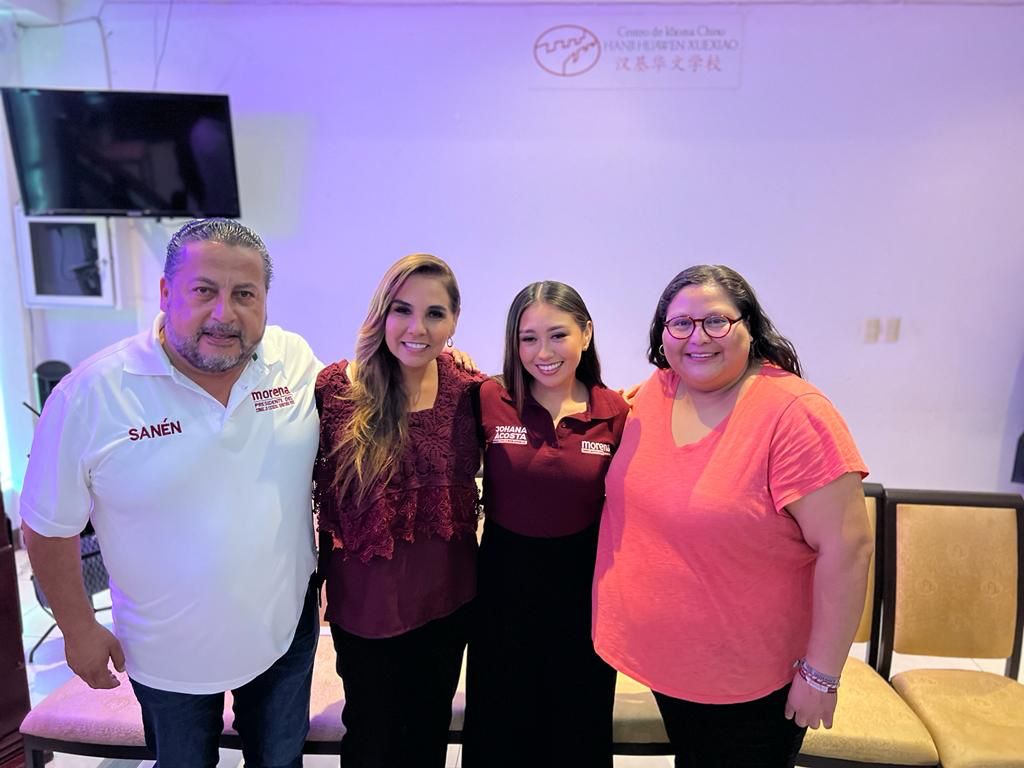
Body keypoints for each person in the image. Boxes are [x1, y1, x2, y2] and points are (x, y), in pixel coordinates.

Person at [20, 218, 321, 768]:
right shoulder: (91, 395)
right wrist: (78, 627)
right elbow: (47, 525)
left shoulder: (293, 361)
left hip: (283, 632)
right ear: (165, 293)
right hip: (167, 655)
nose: (224, 314)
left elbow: (369, 399)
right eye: (203, 291)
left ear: (265, 301)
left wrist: (447, 368)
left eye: (244, 294)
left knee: (280, 763)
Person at [592, 265, 874, 767]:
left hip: (752, 685)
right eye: (681, 323)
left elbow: (849, 549)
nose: (698, 338)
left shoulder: (795, 413)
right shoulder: (657, 391)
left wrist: (822, 675)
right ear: (662, 334)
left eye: (716, 321)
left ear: (750, 326)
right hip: (672, 668)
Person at [313, 253, 483, 768]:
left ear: (454, 321)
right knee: (372, 740)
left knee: (428, 736)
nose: (417, 328)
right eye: (402, 310)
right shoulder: (336, 390)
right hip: (368, 610)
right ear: (381, 312)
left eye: (435, 314)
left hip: (447, 603)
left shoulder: (471, 392)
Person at [462, 281, 628, 768]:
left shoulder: (616, 413)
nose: (543, 353)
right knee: (499, 732)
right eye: (528, 338)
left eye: (558, 335)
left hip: (583, 596)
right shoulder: (490, 397)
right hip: (502, 590)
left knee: (577, 732)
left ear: (586, 334)